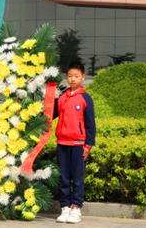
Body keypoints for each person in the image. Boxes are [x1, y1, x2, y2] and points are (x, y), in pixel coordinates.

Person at [53, 62, 96, 224]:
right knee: (64, 177)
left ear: (83, 77)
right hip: (62, 144)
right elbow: (51, 114)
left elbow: (90, 125)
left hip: (79, 145)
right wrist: (50, 98)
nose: (73, 79)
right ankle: (65, 207)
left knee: (77, 178)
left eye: (76, 76)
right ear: (66, 77)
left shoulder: (85, 98)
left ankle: (76, 208)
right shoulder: (62, 97)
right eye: (70, 76)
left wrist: (88, 145)